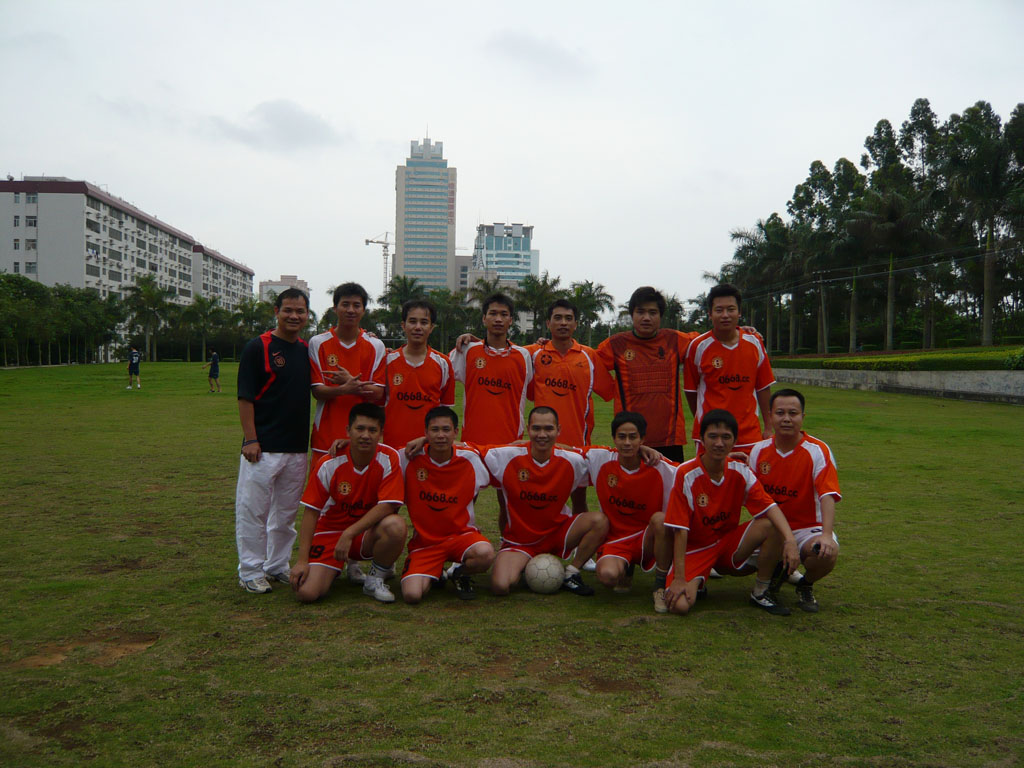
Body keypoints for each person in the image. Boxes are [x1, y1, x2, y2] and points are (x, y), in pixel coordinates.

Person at [663, 409, 800, 616]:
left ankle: (761, 591)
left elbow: (770, 506)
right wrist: (679, 578)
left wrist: (790, 541)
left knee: (771, 524)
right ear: (702, 439)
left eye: (726, 437)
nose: (719, 443)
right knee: (679, 606)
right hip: (696, 549)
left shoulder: (739, 470)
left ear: (734, 441)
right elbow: (680, 529)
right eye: (713, 436)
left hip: (727, 544)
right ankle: (697, 580)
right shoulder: (686, 473)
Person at [481, 406, 607, 596]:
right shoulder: (506, 455)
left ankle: (572, 573)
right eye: (536, 428)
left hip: (558, 533)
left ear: (558, 430)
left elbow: (611, 455)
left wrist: (643, 449)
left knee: (599, 521)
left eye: (548, 429)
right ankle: (523, 565)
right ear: (528, 429)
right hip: (519, 542)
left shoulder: (573, 460)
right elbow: (468, 450)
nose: (542, 434)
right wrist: (433, 441)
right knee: (500, 586)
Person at [235, 288, 312, 594]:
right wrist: (250, 439)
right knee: (253, 511)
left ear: (307, 315)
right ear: (277, 312)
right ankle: (250, 571)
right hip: (263, 449)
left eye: (300, 311)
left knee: (285, 515)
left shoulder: (307, 350)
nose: (294, 316)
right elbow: (245, 397)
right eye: (288, 310)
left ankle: (277, 564)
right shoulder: (258, 347)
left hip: (296, 448)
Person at [290, 403, 407, 604]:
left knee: (395, 526)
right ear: (348, 431)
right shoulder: (329, 462)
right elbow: (311, 512)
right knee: (306, 593)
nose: (365, 435)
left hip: (363, 534)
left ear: (381, 433)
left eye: (372, 430)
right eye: (359, 429)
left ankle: (375, 579)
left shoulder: (389, 458)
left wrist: (349, 533)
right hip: (330, 533)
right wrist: (302, 561)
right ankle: (333, 567)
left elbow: (388, 505)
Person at [747, 389, 841, 612]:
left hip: (808, 528)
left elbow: (828, 494)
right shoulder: (758, 451)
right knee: (736, 564)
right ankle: (773, 574)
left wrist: (826, 535)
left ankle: (805, 584)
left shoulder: (817, 450)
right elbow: (747, 494)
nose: (786, 419)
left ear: (802, 417)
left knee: (825, 553)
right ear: (770, 416)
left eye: (793, 413)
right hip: (771, 528)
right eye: (780, 413)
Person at [450, 292, 532, 535]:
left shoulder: (524, 356)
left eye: (503, 314)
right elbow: (440, 369)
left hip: (510, 441)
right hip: (473, 440)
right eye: (493, 314)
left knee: (508, 502)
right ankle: (459, 545)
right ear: (484, 318)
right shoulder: (467, 351)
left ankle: (509, 545)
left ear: (511, 320)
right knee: (467, 498)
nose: (498, 319)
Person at [527, 298, 615, 514]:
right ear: (548, 323)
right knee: (542, 499)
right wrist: (474, 340)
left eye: (568, 318)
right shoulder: (533, 354)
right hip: (543, 442)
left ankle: (578, 537)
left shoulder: (589, 356)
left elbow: (610, 392)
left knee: (579, 501)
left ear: (576, 324)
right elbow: (501, 349)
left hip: (578, 443)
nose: (563, 323)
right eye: (557, 318)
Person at [400, 406, 495, 603]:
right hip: (425, 544)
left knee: (485, 554)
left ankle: (459, 573)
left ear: (455, 432)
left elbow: (513, 448)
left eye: (446, 430)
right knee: (412, 595)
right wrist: (348, 442)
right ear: (425, 433)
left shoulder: (471, 457)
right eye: (434, 430)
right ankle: (435, 572)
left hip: (461, 536)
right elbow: (376, 451)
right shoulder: (408, 456)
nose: (441, 435)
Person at [584, 411, 677, 612]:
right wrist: (523, 444)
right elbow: (562, 451)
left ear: (642, 439)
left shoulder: (660, 466)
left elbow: (694, 472)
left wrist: (725, 459)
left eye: (633, 437)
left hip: (647, 539)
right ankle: (626, 569)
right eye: (622, 437)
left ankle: (660, 586)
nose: (627, 443)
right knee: (607, 576)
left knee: (661, 520)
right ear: (614, 438)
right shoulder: (600, 458)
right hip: (616, 540)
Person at [596, 287, 700, 463]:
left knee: (671, 481)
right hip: (630, 438)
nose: (646, 318)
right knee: (631, 481)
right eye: (640, 312)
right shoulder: (616, 344)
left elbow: (709, 342)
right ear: (632, 314)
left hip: (669, 438)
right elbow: (586, 364)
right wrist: (610, 390)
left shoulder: (675, 340)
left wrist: (740, 332)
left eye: (653, 312)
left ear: (660, 316)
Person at [684, 284, 775, 452]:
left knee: (750, 471)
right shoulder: (698, 346)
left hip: (748, 435)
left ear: (739, 312)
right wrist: (705, 421)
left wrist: (769, 428)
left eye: (731, 309)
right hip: (711, 436)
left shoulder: (754, 342)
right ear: (710, 314)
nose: (725, 315)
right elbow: (691, 391)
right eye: (719, 310)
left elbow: (763, 387)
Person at [308, 283, 386, 459]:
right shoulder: (318, 343)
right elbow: (317, 391)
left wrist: (349, 382)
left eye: (356, 305)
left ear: (363, 310)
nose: (351, 310)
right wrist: (345, 389)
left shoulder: (376, 346)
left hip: (364, 437)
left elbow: (377, 393)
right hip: (326, 434)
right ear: (335, 308)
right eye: (345, 304)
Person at [383, 299, 456, 450]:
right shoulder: (387, 362)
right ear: (403, 325)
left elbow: (445, 411)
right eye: (412, 321)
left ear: (431, 327)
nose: (418, 327)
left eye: (424, 322)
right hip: (394, 447)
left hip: (430, 448)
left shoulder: (443, 363)